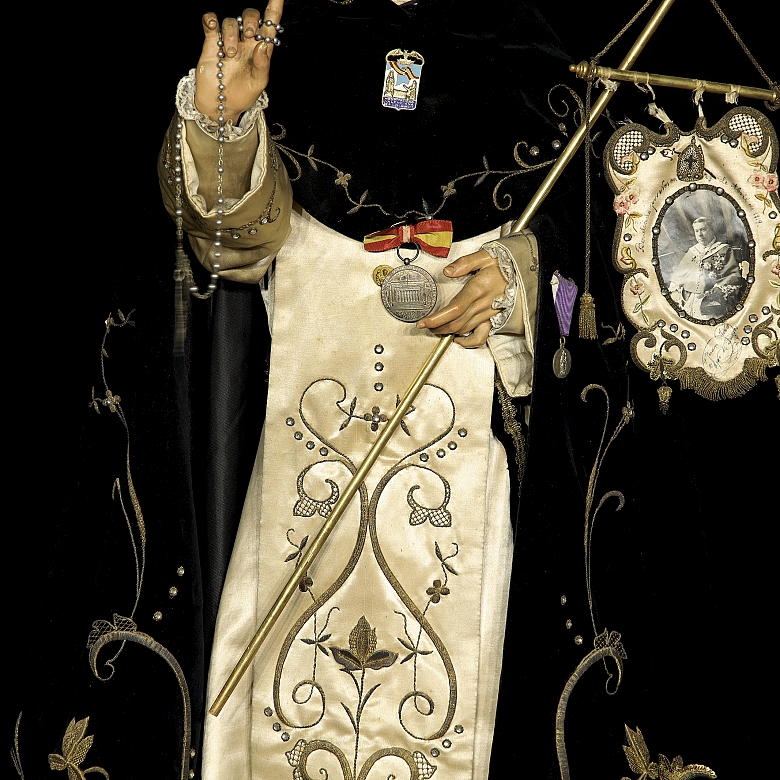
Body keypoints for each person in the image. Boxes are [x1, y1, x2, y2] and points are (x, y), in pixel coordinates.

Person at [158, 2, 571, 777]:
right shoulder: (299, 48)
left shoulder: (537, 65)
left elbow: (592, 291)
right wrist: (225, 125)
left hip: (470, 506)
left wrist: (525, 279)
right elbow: (223, 248)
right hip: (295, 492)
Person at [669, 217, 744, 319]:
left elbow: (734, 275)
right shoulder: (692, 251)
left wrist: (718, 290)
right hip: (689, 299)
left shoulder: (724, 250)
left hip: (712, 300)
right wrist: (675, 289)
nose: (699, 234)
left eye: (703, 230)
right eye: (696, 231)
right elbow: (679, 274)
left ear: (712, 229)